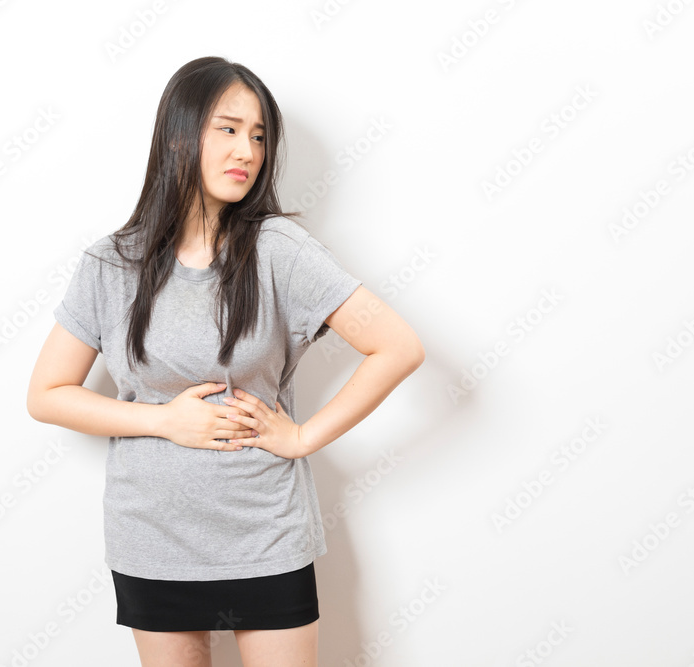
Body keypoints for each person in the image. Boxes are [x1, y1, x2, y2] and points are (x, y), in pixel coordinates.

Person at [26, 56, 424, 667]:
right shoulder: (112, 263)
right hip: (152, 538)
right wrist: (164, 421)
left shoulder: (279, 250)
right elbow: (47, 394)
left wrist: (303, 437)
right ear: (179, 135)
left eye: (259, 136)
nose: (248, 151)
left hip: (264, 533)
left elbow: (397, 346)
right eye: (229, 129)